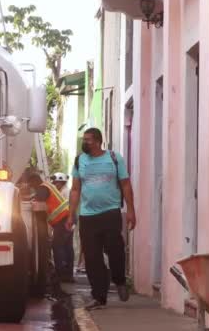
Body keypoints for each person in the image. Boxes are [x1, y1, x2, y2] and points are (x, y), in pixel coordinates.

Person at [66, 128, 136, 311]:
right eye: (84, 139)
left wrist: (131, 211)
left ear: (98, 141)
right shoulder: (79, 160)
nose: (85, 143)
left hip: (111, 212)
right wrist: (71, 213)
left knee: (116, 250)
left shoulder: (114, 158)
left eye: (88, 140)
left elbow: (126, 184)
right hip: (88, 216)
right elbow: (75, 189)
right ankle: (99, 297)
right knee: (92, 258)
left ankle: (120, 280)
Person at [27, 174, 69, 299]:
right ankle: (60, 272)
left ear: (34, 181)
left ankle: (59, 274)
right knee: (59, 246)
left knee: (57, 247)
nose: (31, 187)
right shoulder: (46, 186)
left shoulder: (42, 188)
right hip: (63, 218)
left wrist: (32, 202)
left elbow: (39, 202)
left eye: (30, 184)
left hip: (62, 219)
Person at [51, 172, 75, 283]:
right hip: (67, 222)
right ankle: (68, 274)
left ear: (62, 182)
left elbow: (63, 209)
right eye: (54, 183)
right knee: (67, 247)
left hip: (64, 222)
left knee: (58, 247)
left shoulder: (64, 192)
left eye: (56, 183)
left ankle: (61, 273)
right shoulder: (65, 191)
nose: (55, 185)